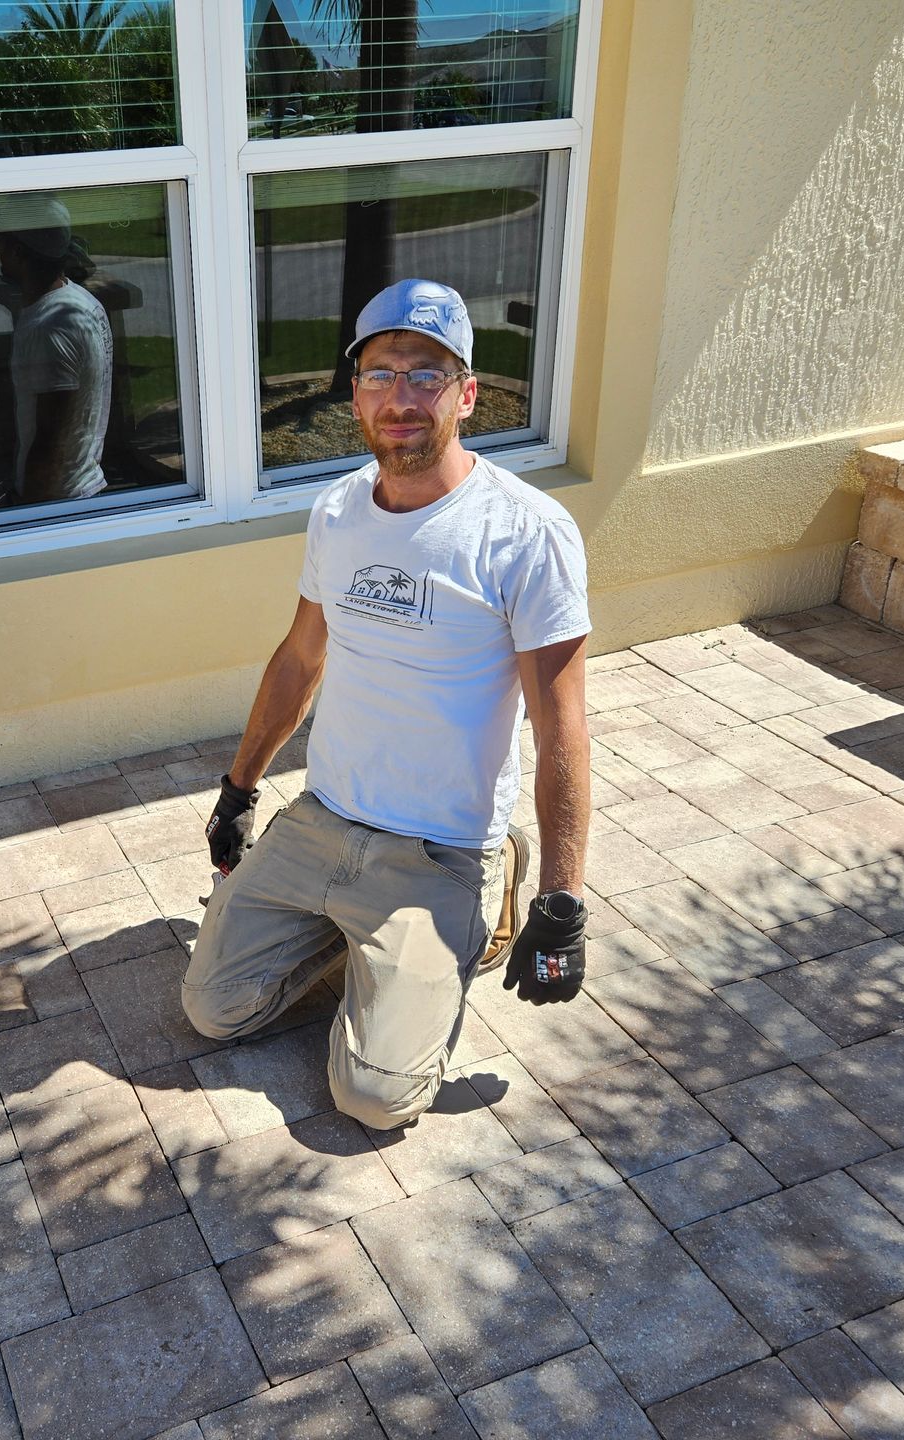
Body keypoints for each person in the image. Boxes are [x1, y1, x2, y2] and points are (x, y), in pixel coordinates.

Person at [181, 278, 594, 1132]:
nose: (400, 397)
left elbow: (562, 724)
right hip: (324, 819)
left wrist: (564, 899)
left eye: (426, 374)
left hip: (439, 849)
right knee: (215, 1010)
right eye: (379, 374)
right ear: (356, 393)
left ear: (467, 395)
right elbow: (300, 659)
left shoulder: (528, 532)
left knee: (370, 1101)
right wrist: (240, 789)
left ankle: (490, 897)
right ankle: (365, 942)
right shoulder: (337, 511)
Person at [0, 194, 113, 505]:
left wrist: (29, 510)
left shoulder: (53, 327)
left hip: (60, 501)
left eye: (1, 240)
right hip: (79, 489)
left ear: (18, 251)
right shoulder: (77, 301)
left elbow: (51, 441)